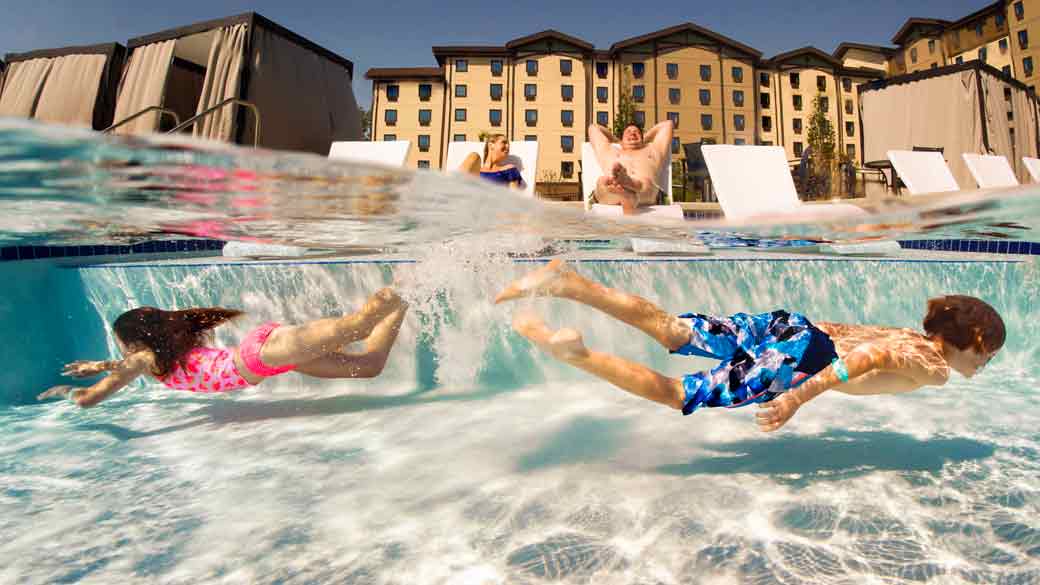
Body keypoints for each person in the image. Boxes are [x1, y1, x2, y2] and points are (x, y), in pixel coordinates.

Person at [495, 260, 1005, 432]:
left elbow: (845, 334)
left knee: (672, 329)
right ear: (975, 341)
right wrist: (796, 397)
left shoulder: (907, 333)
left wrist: (781, 344)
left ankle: (569, 283)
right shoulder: (931, 364)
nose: (986, 363)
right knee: (679, 393)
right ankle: (577, 355)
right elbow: (862, 359)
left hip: (792, 327)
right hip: (804, 358)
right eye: (989, 353)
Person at [37, 288, 408, 408]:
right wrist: (77, 391)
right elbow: (98, 393)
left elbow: (118, 374)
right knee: (370, 365)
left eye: (124, 344)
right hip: (270, 363)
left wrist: (98, 369)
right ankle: (407, 294)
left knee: (357, 325)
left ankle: (405, 280)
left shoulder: (145, 360)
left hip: (262, 355)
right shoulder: (163, 357)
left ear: (136, 341)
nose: (125, 351)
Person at [588, 120, 673, 214]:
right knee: (602, 182)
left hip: (646, 193)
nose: (632, 133)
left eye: (636, 132)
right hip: (613, 191)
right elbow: (593, 128)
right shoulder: (609, 150)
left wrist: (645, 138)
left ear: (642, 137)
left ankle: (630, 185)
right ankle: (627, 194)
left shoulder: (653, 149)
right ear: (622, 139)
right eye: (628, 132)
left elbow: (667, 124)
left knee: (646, 182)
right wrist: (615, 140)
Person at [459, 134, 525, 190]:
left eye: (508, 145)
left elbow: (513, 196)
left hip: (491, 203)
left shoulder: (509, 169)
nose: (507, 147)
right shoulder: (475, 169)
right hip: (469, 197)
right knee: (474, 155)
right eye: (504, 142)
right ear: (491, 145)